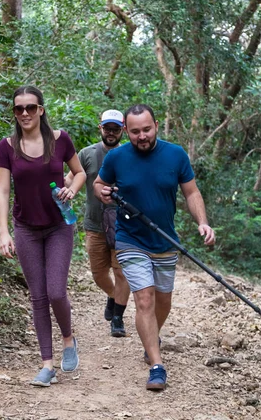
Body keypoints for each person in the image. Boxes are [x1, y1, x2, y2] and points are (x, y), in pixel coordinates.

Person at [93, 104, 215, 392]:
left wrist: (203, 223)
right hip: (130, 239)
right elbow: (99, 184)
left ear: (156, 126)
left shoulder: (175, 155)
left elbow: (191, 191)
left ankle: (152, 339)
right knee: (144, 300)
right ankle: (157, 366)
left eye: (146, 130)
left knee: (163, 302)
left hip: (165, 240)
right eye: (135, 132)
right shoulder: (117, 157)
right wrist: (104, 194)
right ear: (126, 131)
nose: (142, 136)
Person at [0, 85, 86, 387]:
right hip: (25, 229)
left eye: (30, 108)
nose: (24, 113)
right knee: (37, 297)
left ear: (41, 110)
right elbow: (4, 190)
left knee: (56, 291)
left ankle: (68, 339)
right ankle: (47, 364)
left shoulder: (59, 140)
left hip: (59, 225)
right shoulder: (7, 146)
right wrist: (4, 232)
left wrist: (71, 189)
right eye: (18, 109)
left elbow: (80, 172)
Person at [65, 110, 130, 337]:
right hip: (95, 224)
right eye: (107, 128)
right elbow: (71, 178)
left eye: (116, 129)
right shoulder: (86, 154)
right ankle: (113, 296)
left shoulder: (131, 154)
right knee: (99, 273)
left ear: (123, 130)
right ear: (100, 128)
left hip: (125, 225)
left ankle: (118, 318)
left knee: (121, 272)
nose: (111, 133)